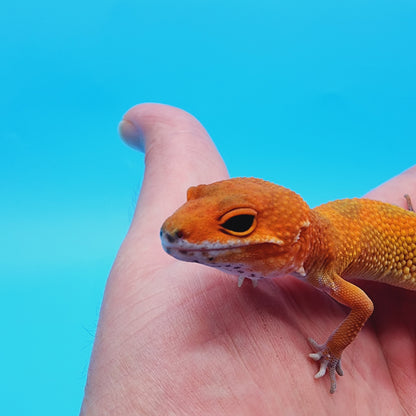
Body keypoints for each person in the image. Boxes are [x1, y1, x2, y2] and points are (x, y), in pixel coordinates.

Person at [80, 103, 416, 415]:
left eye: (238, 224)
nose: (176, 231)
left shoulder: (321, 271)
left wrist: (333, 351)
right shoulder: (304, 244)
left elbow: (364, 306)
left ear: (294, 243)